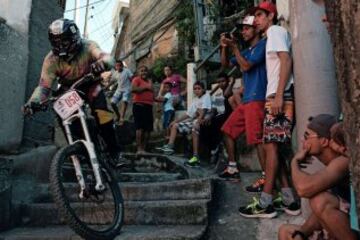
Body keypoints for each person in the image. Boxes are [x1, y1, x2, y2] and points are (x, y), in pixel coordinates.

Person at [22, 18, 121, 165]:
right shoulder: (50, 60)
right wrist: (33, 102)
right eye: (57, 43)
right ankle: (77, 149)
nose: (61, 46)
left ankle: (114, 151)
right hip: (69, 88)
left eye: (65, 41)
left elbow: (107, 57)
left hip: (91, 84)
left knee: (103, 114)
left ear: (74, 38)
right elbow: (44, 86)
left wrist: (103, 63)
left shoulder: (88, 46)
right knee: (64, 116)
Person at [238, 2, 299, 218]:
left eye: (260, 15)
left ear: (271, 16)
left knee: (270, 147)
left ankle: (266, 203)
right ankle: (290, 200)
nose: (256, 20)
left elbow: (286, 59)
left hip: (279, 96)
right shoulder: (274, 33)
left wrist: (280, 95)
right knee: (274, 147)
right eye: (255, 16)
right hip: (274, 96)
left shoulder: (274, 31)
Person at [278, 114, 357, 240]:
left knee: (319, 200)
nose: (303, 142)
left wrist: (294, 162)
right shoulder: (331, 165)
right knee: (285, 231)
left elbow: (303, 189)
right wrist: (302, 233)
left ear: (324, 141)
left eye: (307, 136)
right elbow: (319, 214)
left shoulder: (342, 161)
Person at [218, 15, 267, 190]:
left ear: (256, 30)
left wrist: (235, 48)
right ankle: (232, 168)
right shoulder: (247, 50)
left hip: (257, 98)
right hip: (247, 101)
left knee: (257, 140)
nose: (243, 32)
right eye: (242, 29)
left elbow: (246, 67)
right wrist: (224, 47)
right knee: (227, 131)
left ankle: (265, 179)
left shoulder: (263, 45)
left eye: (246, 28)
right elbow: (224, 65)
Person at [157, 81, 211, 167]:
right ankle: (170, 147)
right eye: (195, 89)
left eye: (199, 88)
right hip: (195, 121)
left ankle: (195, 157)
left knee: (194, 129)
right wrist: (176, 121)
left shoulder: (206, 96)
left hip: (204, 121)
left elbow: (204, 110)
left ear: (203, 89)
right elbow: (188, 114)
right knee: (175, 126)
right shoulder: (195, 100)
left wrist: (198, 119)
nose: (197, 90)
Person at [200, 72, 234, 163]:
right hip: (221, 116)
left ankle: (214, 147)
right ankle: (212, 149)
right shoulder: (217, 95)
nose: (221, 84)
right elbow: (214, 110)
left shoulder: (231, 91)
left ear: (227, 81)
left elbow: (226, 94)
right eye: (219, 82)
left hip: (230, 116)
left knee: (216, 123)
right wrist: (209, 117)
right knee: (204, 124)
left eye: (223, 81)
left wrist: (232, 83)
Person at [131, 65, 154, 154]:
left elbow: (152, 93)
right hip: (139, 105)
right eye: (142, 71)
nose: (144, 72)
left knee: (148, 129)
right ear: (138, 72)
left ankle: (144, 148)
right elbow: (133, 89)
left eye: (145, 71)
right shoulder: (136, 79)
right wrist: (146, 87)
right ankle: (139, 149)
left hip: (149, 106)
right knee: (140, 128)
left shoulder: (149, 81)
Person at [109, 60, 133, 125]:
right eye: (117, 66)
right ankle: (118, 115)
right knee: (112, 103)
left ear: (122, 66)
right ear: (115, 67)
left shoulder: (127, 71)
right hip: (119, 90)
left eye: (120, 65)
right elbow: (112, 81)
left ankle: (122, 118)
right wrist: (106, 87)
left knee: (124, 101)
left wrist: (133, 87)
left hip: (127, 89)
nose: (118, 67)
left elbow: (132, 78)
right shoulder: (115, 73)